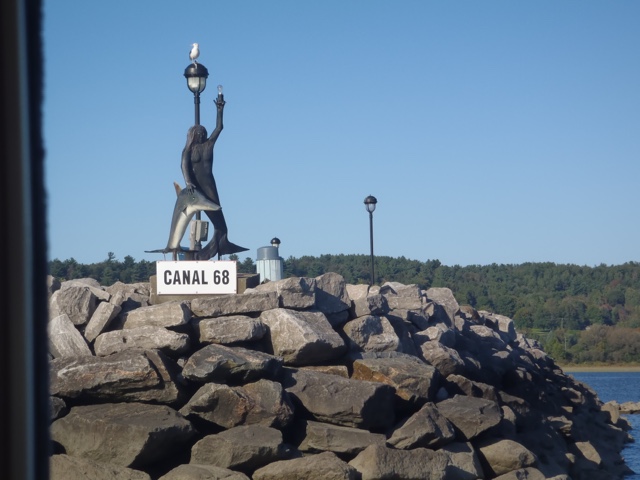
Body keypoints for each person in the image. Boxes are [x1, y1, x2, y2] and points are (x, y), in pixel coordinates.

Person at [181, 94, 248, 260]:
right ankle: (209, 252)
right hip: (197, 189)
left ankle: (214, 249)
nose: (202, 134)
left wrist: (220, 110)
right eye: (199, 132)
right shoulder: (188, 150)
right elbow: (183, 165)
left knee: (220, 223)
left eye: (203, 132)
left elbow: (219, 128)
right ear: (192, 135)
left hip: (210, 186)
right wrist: (188, 182)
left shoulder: (208, 145)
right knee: (218, 223)